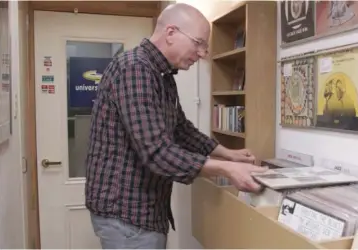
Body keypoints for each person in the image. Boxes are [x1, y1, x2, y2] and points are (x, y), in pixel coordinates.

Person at [84, 3, 266, 249]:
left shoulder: (162, 75)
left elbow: (181, 128)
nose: (202, 53)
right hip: (126, 214)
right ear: (171, 33)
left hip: (144, 212)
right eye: (199, 42)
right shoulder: (135, 69)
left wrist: (228, 153)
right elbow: (156, 152)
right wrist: (227, 170)